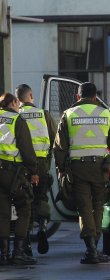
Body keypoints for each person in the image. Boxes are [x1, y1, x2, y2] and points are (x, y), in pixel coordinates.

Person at [53, 82, 110, 264]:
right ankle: (96, 248)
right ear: (95, 96)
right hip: (100, 169)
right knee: (98, 206)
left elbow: (59, 148)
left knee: (84, 208)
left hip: (78, 169)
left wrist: (62, 170)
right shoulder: (106, 113)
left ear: (77, 96)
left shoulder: (68, 115)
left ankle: (91, 249)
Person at [15, 84, 57, 255]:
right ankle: (42, 227)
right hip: (41, 165)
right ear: (31, 95)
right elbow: (56, 139)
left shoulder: (16, 115)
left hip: (22, 165)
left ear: (18, 100)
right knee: (41, 198)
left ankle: (26, 244)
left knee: (25, 203)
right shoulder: (43, 114)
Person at [0, 93, 39, 265]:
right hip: (13, 172)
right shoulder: (17, 120)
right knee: (24, 208)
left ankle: (3, 254)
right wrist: (34, 171)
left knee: (2, 213)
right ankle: (18, 252)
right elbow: (26, 148)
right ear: (14, 102)